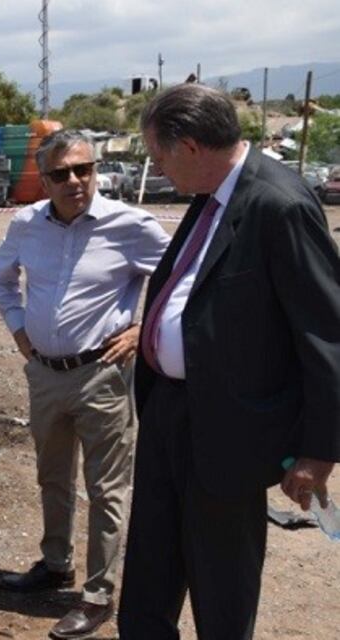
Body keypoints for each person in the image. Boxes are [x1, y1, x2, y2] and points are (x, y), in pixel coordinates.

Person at [119, 83, 340, 639]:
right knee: (150, 571)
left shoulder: (279, 205)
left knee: (221, 585)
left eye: (159, 157)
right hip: (170, 413)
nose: (158, 169)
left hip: (230, 430)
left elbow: (326, 336)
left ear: (190, 148)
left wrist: (318, 452)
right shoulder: (209, 197)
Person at [0, 130, 170, 640]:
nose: (75, 181)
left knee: (106, 489)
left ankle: (97, 595)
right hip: (45, 374)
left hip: (102, 379)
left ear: (95, 171)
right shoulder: (27, 224)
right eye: (61, 173)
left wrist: (142, 330)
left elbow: (182, 280)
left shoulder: (130, 225)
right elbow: (1, 279)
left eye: (84, 169)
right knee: (52, 477)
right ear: (43, 179)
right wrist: (20, 331)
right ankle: (54, 563)